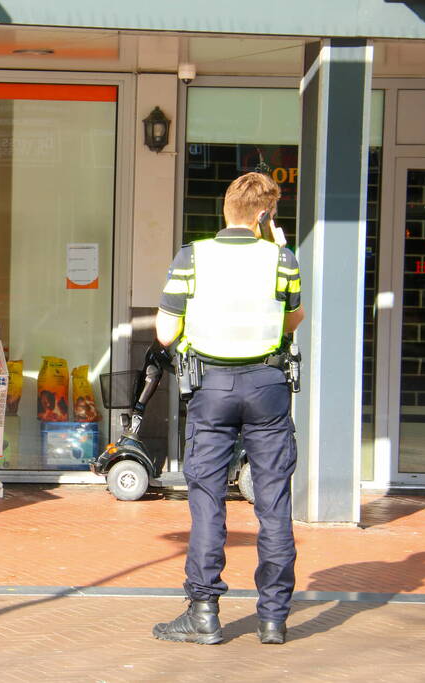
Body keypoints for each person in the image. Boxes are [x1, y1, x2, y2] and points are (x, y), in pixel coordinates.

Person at [152, 172, 305, 646]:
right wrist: (280, 252)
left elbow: (165, 332)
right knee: (274, 502)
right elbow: (293, 319)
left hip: (211, 388)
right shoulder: (282, 258)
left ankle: (203, 614)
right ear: (264, 215)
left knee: (207, 500)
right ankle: (273, 619)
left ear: (226, 209)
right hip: (268, 386)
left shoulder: (192, 257)